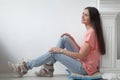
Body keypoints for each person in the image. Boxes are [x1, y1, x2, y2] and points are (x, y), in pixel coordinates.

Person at [8, 6, 106, 77]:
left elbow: (80, 56)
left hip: (85, 69)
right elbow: (83, 51)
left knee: (55, 53)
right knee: (64, 39)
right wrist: (71, 39)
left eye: (86, 15)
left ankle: (25, 67)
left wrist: (60, 50)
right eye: (82, 14)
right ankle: (48, 68)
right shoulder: (91, 31)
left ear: (92, 18)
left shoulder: (91, 33)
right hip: (84, 62)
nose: (82, 16)